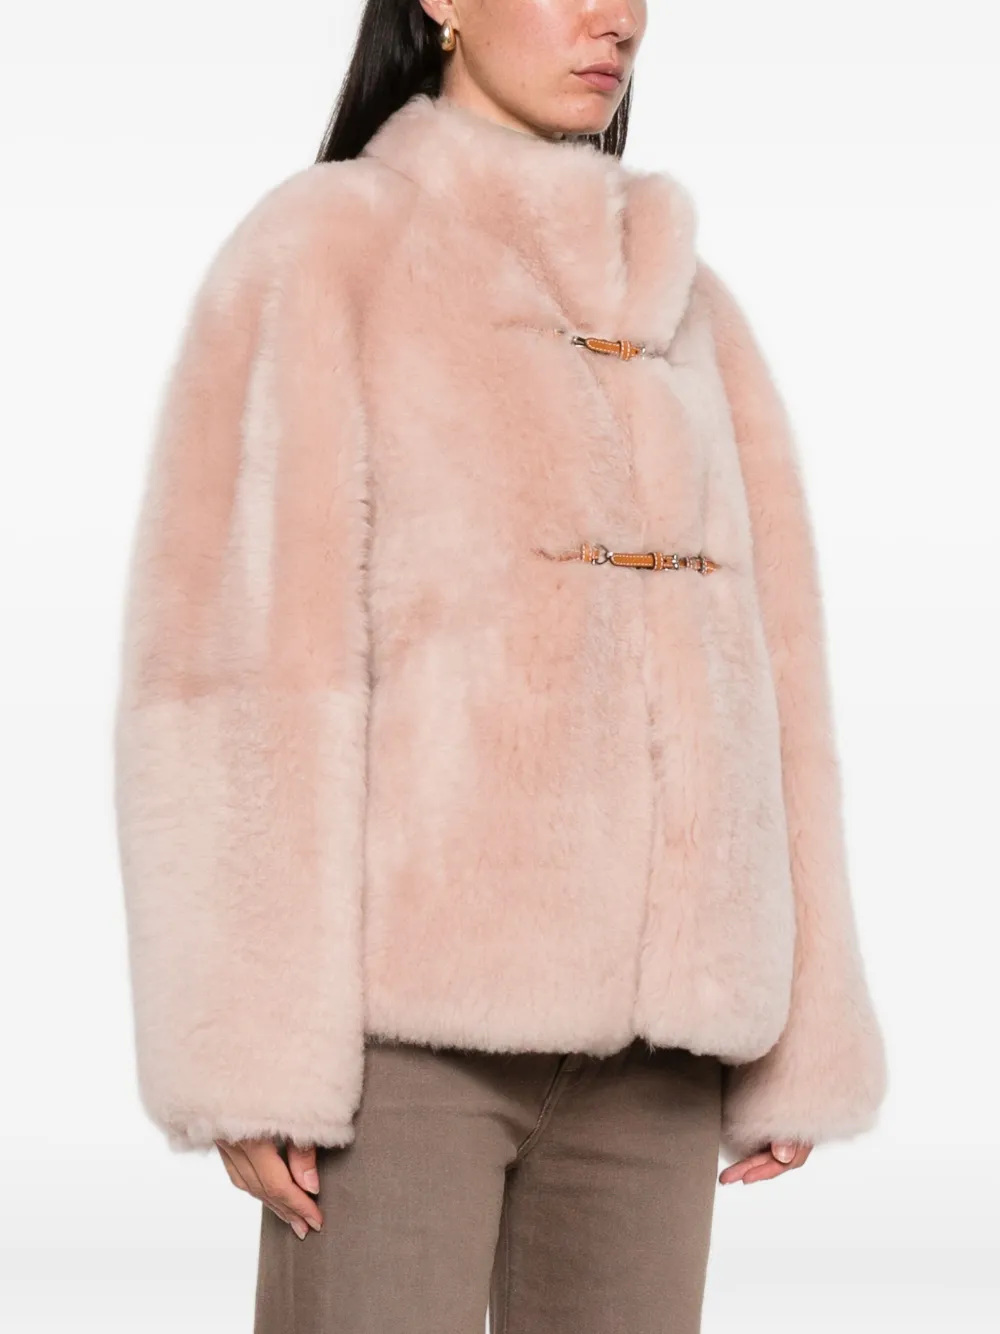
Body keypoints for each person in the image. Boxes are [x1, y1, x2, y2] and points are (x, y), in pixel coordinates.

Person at [112, 1, 889, 1330]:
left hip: (659, 1056)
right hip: (399, 1047)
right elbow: (234, 671)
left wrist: (805, 1030)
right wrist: (248, 1047)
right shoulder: (326, 251)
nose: (616, 19)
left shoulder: (690, 302)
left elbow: (782, 686)